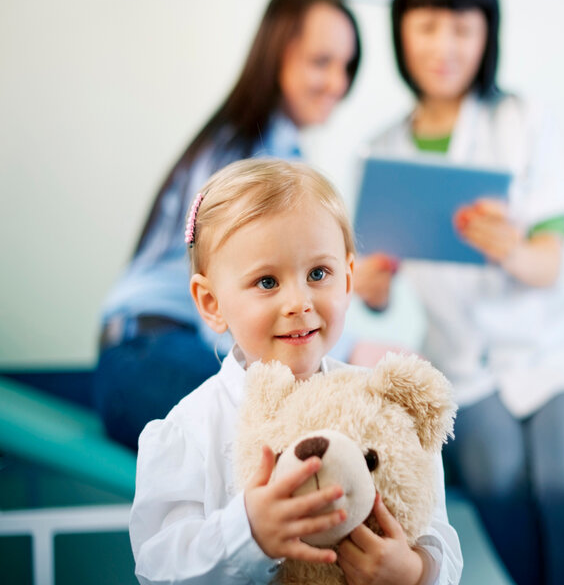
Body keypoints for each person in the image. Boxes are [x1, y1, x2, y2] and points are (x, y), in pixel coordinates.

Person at [354, 0, 564, 584]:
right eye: (427, 27)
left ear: (487, 36)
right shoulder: (382, 151)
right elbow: (377, 298)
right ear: (401, 32)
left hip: (560, 353)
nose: (444, 47)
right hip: (463, 367)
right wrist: (368, 285)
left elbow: (549, 264)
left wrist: (513, 249)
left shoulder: (521, 120)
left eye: (462, 29)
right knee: (497, 480)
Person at [129, 158, 463, 585]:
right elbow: (159, 568)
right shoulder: (190, 430)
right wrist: (248, 531)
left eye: (318, 274)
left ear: (347, 279)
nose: (300, 302)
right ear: (211, 303)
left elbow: (437, 534)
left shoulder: (380, 407)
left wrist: (416, 571)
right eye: (267, 282)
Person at [94, 0, 361, 450]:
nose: (338, 82)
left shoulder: (283, 154)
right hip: (146, 353)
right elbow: (236, 323)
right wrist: (352, 353)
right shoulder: (241, 159)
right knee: (312, 427)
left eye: (347, 67)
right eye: (322, 62)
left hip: (161, 348)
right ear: (277, 55)